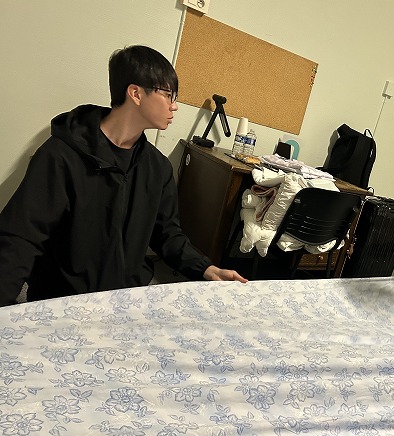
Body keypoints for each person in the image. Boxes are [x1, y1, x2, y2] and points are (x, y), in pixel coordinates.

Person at [0, 45, 246, 306]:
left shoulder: (158, 168)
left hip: (124, 301)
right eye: (168, 95)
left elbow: (167, 235)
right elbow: (21, 238)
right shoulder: (61, 156)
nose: (174, 106)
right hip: (63, 301)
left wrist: (207, 269)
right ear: (135, 93)